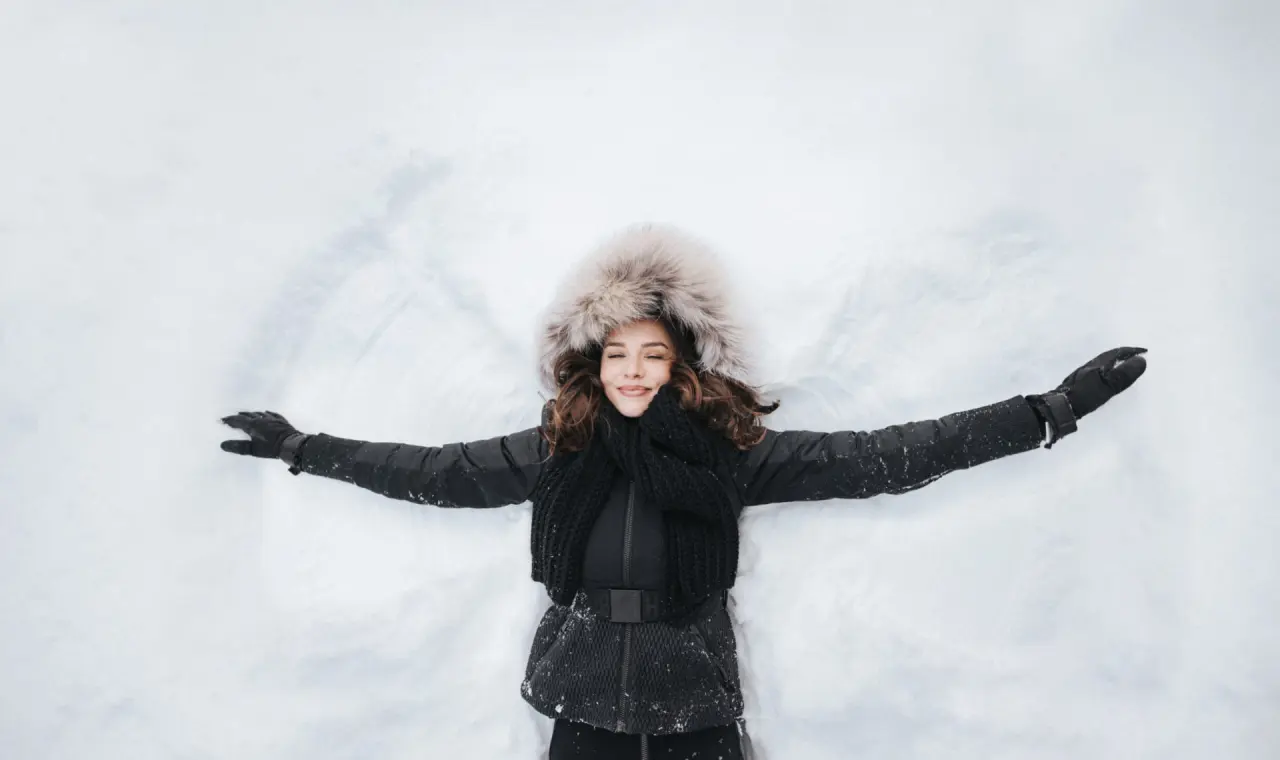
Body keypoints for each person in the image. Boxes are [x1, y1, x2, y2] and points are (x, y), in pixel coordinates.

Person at [221, 224, 1147, 760]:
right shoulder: (559, 445)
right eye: (616, 354)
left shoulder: (729, 452)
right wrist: (307, 448)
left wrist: (1048, 410)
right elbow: (433, 472)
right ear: (592, 361)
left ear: (679, 363)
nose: (632, 371)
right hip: (581, 698)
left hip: (696, 699)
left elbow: (884, 457)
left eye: (650, 355)